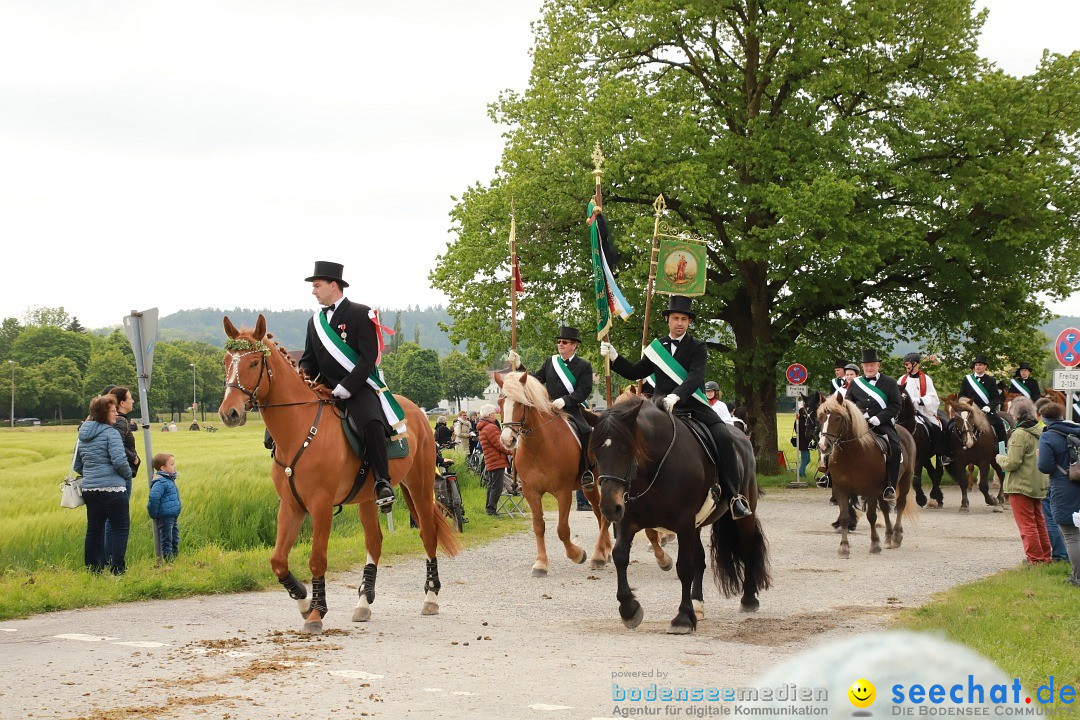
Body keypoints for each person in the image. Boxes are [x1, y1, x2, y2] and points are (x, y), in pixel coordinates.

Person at [601, 295, 751, 518]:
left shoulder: (697, 346)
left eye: (683, 319)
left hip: (693, 405)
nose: (679, 323)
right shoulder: (656, 347)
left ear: (689, 322)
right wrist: (614, 357)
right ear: (668, 320)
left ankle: (734, 496)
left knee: (724, 437)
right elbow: (635, 372)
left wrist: (676, 396)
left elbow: (695, 377)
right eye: (675, 318)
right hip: (661, 408)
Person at [298, 261, 396, 511]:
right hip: (323, 389)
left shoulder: (360, 313)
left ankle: (382, 482)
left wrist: (347, 387)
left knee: (371, 423)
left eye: (317, 285)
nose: (313, 291)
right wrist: (300, 380)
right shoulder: (315, 322)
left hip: (358, 386)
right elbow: (309, 360)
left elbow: (367, 358)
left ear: (334, 285)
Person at [507, 326, 595, 487]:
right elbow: (535, 380)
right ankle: (521, 472)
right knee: (524, 429)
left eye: (565, 342)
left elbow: (584, 390)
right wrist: (520, 366)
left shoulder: (584, 365)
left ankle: (587, 472)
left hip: (571, 409)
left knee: (586, 432)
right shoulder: (550, 361)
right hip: (549, 409)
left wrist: (565, 400)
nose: (560, 344)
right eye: (559, 342)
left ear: (574, 345)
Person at [74, 395, 132, 575]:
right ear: (103, 413)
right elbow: (119, 461)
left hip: (90, 489)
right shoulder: (110, 433)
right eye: (113, 411)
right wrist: (128, 475)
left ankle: (93, 570)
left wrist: (92, 476)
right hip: (113, 489)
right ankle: (117, 570)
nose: (116, 414)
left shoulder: (83, 435)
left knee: (94, 529)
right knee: (120, 528)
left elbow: (77, 465)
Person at [995, 398, 1050, 565]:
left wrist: (1000, 458)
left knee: (1027, 525)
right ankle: (1045, 556)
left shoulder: (1019, 434)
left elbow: (1013, 463)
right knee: (1039, 522)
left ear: (1016, 415)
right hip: (1036, 481)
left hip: (1021, 484)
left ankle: (1035, 559)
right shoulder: (1039, 430)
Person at [845, 349, 903, 500]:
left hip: (881, 423)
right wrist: (858, 414)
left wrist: (879, 417)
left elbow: (896, 405)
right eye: (866, 366)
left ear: (878, 365)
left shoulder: (890, 382)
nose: (869, 368)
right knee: (838, 443)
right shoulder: (855, 383)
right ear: (862, 367)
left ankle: (890, 485)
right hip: (859, 423)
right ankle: (832, 478)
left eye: (872, 365)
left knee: (896, 449)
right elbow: (847, 403)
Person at [1036, 399, 1080, 587]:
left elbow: (1045, 467)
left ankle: (1077, 577)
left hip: (1064, 487)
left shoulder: (1048, 436)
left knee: (1070, 534)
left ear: (1044, 419)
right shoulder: (1076, 429)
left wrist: (1040, 455)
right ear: (1061, 416)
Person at [899, 352, 950, 465]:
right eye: (905, 364)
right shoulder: (902, 379)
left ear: (915, 364)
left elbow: (933, 397)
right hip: (907, 413)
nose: (906, 366)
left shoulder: (926, 379)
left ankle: (941, 455)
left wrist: (920, 400)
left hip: (922, 411)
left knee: (936, 427)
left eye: (907, 364)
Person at [959, 354, 1006, 454]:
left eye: (980, 365)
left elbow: (996, 397)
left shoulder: (991, 380)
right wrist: (967, 405)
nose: (978, 367)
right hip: (970, 410)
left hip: (986, 411)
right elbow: (961, 395)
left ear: (985, 367)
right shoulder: (967, 379)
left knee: (999, 425)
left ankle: (1002, 450)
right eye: (976, 365)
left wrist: (989, 406)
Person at [147, 453, 182, 562]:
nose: (174, 466)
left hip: (172, 515)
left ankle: (175, 560)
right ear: (163, 468)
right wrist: (153, 513)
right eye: (172, 464)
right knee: (167, 540)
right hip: (165, 516)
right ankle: (169, 563)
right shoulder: (161, 481)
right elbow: (153, 498)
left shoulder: (169, 479)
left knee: (175, 539)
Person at [477, 404, 510, 516]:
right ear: (490, 414)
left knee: (491, 485)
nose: (495, 415)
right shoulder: (490, 427)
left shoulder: (484, 426)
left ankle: (489, 509)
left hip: (491, 459)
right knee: (497, 487)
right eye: (494, 413)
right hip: (497, 460)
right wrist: (511, 451)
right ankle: (491, 510)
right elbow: (500, 444)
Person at [792, 397, 815, 480]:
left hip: (802, 442)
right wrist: (809, 439)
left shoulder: (799, 420)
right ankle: (801, 473)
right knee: (806, 459)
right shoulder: (803, 421)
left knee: (806, 459)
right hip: (803, 442)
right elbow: (804, 432)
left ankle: (800, 472)